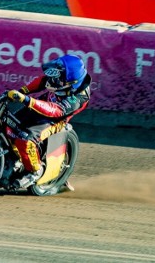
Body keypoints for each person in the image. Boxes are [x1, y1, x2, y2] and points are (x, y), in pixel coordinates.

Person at [5, 54, 92, 188]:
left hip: (55, 120)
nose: (53, 80)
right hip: (43, 104)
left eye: (58, 78)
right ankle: (13, 160)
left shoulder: (79, 98)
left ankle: (34, 171)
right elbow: (43, 81)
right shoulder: (62, 79)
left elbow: (55, 110)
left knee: (25, 139)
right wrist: (22, 91)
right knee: (7, 123)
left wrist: (28, 100)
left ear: (69, 83)